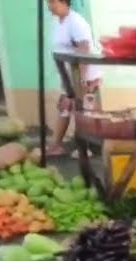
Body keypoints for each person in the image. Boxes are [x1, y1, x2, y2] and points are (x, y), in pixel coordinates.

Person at [46, 0, 101, 157]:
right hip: (69, 74)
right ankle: (56, 145)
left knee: (83, 110)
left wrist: (82, 79)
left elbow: (84, 50)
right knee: (65, 107)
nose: (50, 6)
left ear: (64, 2)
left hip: (84, 74)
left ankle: (87, 148)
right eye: (48, 2)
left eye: (53, 2)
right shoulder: (58, 22)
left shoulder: (76, 21)